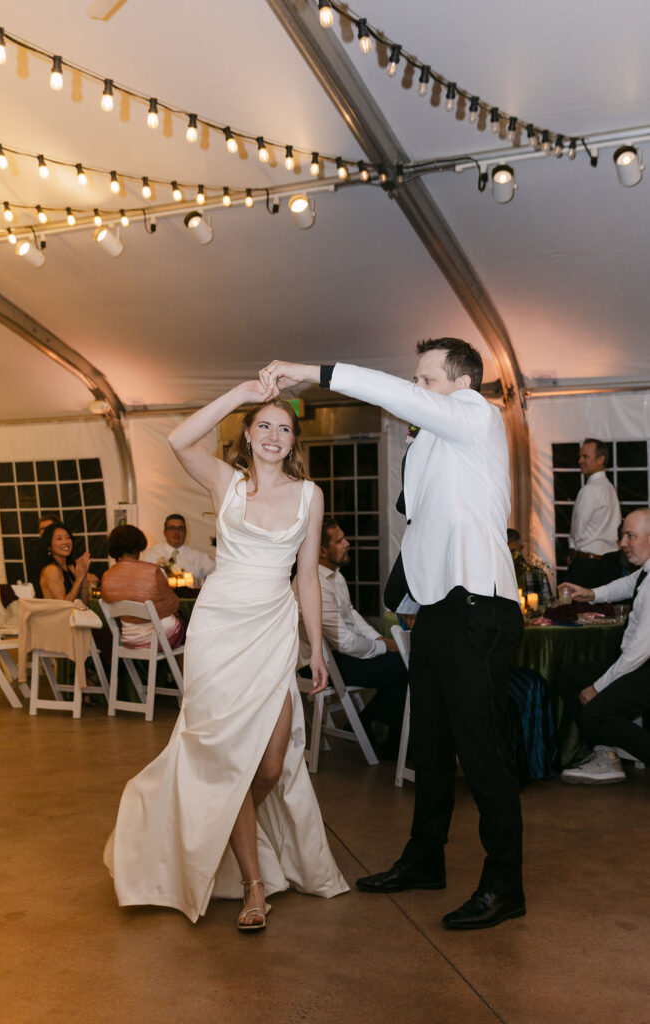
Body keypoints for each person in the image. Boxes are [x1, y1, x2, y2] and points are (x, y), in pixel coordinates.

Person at [260, 339, 525, 930]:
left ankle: (506, 883)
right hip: (436, 613)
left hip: (479, 608)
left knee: (484, 754)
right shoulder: (435, 438)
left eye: (426, 379)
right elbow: (424, 518)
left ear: (461, 383)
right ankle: (425, 859)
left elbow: (396, 397)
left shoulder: (476, 415)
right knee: (429, 746)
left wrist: (311, 372)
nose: (417, 387)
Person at [104, 381, 348, 930]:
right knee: (224, 756)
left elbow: (307, 575)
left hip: (274, 631)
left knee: (269, 763)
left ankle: (217, 829)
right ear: (246, 432)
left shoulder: (310, 496)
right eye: (262, 424)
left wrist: (316, 650)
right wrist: (244, 389)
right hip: (218, 629)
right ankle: (253, 887)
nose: (273, 434)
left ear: (293, 443)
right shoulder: (225, 480)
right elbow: (178, 437)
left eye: (283, 428)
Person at [294, 517, 408, 758]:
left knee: (405, 667)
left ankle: (369, 728)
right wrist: (387, 647)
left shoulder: (334, 576)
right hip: (318, 666)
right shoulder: (314, 583)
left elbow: (352, 616)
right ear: (322, 550)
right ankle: (388, 744)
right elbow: (344, 642)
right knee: (404, 669)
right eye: (340, 540)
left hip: (336, 657)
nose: (348, 543)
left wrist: (382, 641)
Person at [556, 508, 650, 784]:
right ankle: (605, 753)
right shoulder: (646, 570)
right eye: (623, 535)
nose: (622, 543)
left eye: (630, 536)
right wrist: (590, 594)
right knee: (569, 678)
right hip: (638, 662)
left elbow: (638, 653)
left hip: (644, 667)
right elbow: (626, 584)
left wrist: (598, 688)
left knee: (594, 713)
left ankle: (610, 751)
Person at [100, 525, 184, 649]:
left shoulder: (106, 576)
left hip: (129, 639)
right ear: (138, 547)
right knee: (185, 625)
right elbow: (173, 605)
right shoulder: (154, 571)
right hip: (160, 637)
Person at [567, 439, 621, 588]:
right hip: (609, 564)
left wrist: (573, 556)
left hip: (588, 565)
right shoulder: (610, 488)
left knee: (577, 609)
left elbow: (577, 532)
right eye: (580, 456)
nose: (580, 461)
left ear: (600, 459)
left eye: (585, 456)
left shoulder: (590, 490)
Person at [144, 514, 214, 585]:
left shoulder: (200, 557)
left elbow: (216, 574)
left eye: (180, 528)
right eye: (172, 528)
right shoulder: (150, 554)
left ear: (186, 532)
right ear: (165, 532)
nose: (176, 532)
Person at [37, 522, 91, 603]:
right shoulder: (51, 570)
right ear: (49, 546)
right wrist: (79, 579)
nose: (65, 542)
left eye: (68, 537)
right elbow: (63, 605)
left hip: (75, 614)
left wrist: (83, 577)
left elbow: (84, 603)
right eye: (59, 538)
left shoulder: (69, 567)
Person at [507, 528, 552, 604]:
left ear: (520, 547)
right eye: (509, 551)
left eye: (513, 551)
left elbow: (549, 604)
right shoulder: (497, 576)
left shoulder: (537, 573)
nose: (511, 555)